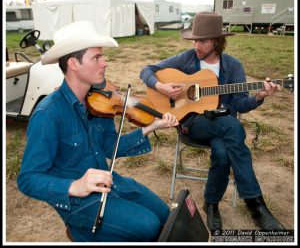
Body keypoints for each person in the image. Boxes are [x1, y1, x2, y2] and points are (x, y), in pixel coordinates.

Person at [17, 21, 179, 242]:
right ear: (73, 64)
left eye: (103, 57)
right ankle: (81, 232)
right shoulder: (48, 115)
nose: (105, 63)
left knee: (164, 215)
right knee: (148, 226)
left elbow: (111, 148)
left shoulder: (98, 103)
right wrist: (75, 185)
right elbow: (28, 179)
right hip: (79, 202)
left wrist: (151, 127)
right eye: (96, 58)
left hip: (110, 182)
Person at [140, 12, 285, 231]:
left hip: (223, 127)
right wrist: (161, 87)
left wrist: (260, 96)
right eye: (195, 40)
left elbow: (240, 105)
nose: (197, 45)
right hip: (191, 122)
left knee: (224, 149)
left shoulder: (233, 66)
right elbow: (147, 70)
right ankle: (256, 206)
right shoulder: (187, 58)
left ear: (217, 41)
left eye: (203, 41)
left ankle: (211, 204)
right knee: (233, 126)